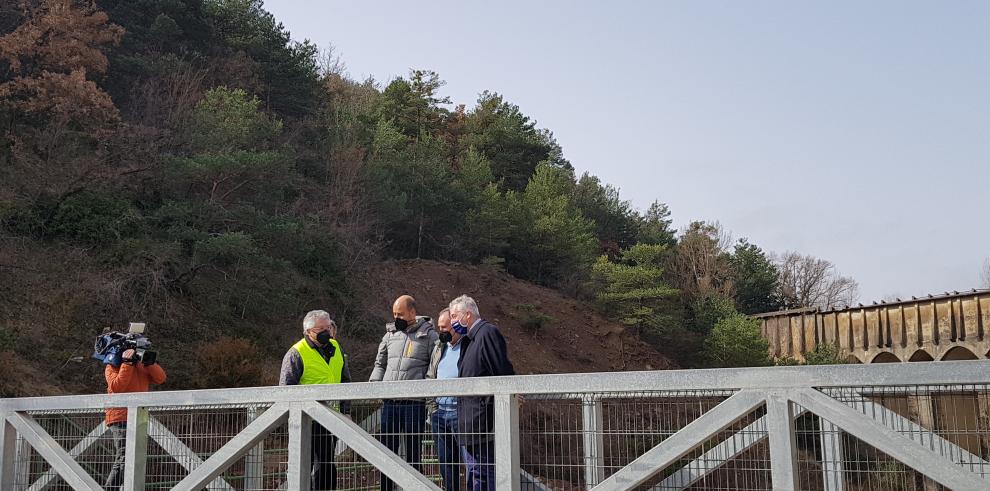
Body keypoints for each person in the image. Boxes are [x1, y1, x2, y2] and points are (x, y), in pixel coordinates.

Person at [369, 295, 439, 491]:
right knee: (386, 452)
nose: (396, 317)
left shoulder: (430, 336)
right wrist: (375, 387)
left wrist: (426, 393)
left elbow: (433, 369)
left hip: (414, 403)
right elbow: (379, 364)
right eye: (394, 314)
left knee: (413, 453)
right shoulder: (389, 335)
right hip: (390, 403)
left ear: (412, 312)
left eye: (400, 313)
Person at [279, 310, 352, 491]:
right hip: (305, 422)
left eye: (328, 327)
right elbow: (285, 389)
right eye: (321, 328)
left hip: (330, 420)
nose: (326, 331)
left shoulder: (336, 348)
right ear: (308, 331)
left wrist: (346, 411)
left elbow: (345, 381)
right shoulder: (296, 353)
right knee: (303, 466)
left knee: (326, 467)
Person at [449, 295, 514, 491]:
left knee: (486, 475)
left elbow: (501, 370)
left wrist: (512, 395)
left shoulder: (487, 333)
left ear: (467, 315)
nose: (452, 322)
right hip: (470, 423)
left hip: (483, 423)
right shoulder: (468, 340)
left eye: (454, 316)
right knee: (477, 474)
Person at [104, 347, 167, 490]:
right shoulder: (112, 365)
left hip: (138, 417)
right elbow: (116, 387)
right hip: (120, 417)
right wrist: (127, 363)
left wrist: (149, 363)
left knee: (135, 459)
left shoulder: (142, 365)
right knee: (125, 457)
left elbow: (161, 378)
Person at [426, 308, 465, 491]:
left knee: (472, 463)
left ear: (456, 326)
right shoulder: (439, 347)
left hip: (462, 414)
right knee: (446, 466)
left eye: (445, 327)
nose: (441, 331)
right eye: (439, 327)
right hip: (440, 414)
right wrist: (433, 408)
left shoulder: (468, 345)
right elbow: (430, 376)